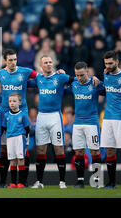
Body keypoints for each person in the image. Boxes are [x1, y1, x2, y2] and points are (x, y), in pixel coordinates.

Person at [0, 48, 37, 187]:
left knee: (23, 149)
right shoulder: (0, 73)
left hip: (21, 113)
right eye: (10, 60)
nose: (13, 62)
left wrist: (56, 73)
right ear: (5, 61)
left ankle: (23, 181)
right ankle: (4, 181)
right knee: (5, 149)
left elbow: (41, 77)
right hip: (5, 115)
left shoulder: (25, 71)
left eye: (15, 59)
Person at [30, 56, 72, 189]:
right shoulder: (39, 79)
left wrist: (91, 78)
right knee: (40, 150)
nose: (48, 64)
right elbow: (24, 84)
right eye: (46, 63)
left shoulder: (60, 77)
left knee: (59, 148)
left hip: (55, 116)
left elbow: (76, 80)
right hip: (41, 117)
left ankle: (62, 181)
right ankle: (39, 182)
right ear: (41, 66)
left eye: (50, 62)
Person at [100, 50, 121, 189]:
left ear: (117, 62)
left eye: (110, 63)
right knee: (110, 151)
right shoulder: (105, 74)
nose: (108, 66)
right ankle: (111, 182)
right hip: (107, 118)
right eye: (106, 63)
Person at [69, 62, 105, 188]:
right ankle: (80, 181)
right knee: (78, 152)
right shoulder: (73, 83)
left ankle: (97, 180)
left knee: (95, 152)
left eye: (82, 75)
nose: (79, 78)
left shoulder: (95, 84)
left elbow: (107, 92)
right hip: (77, 123)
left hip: (92, 123)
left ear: (88, 73)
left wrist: (99, 80)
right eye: (77, 75)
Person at [2, 93, 30, 188]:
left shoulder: (23, 115)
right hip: (10, 139)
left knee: (20, 159)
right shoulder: (6, 115)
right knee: (12, 160)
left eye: (14, 101)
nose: (12, 103)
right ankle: (13, 183)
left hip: (19, 138)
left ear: (19, 102)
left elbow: (27, 128)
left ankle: (21, 182)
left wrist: (24, 140)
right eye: (10, 101)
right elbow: (4, 128)